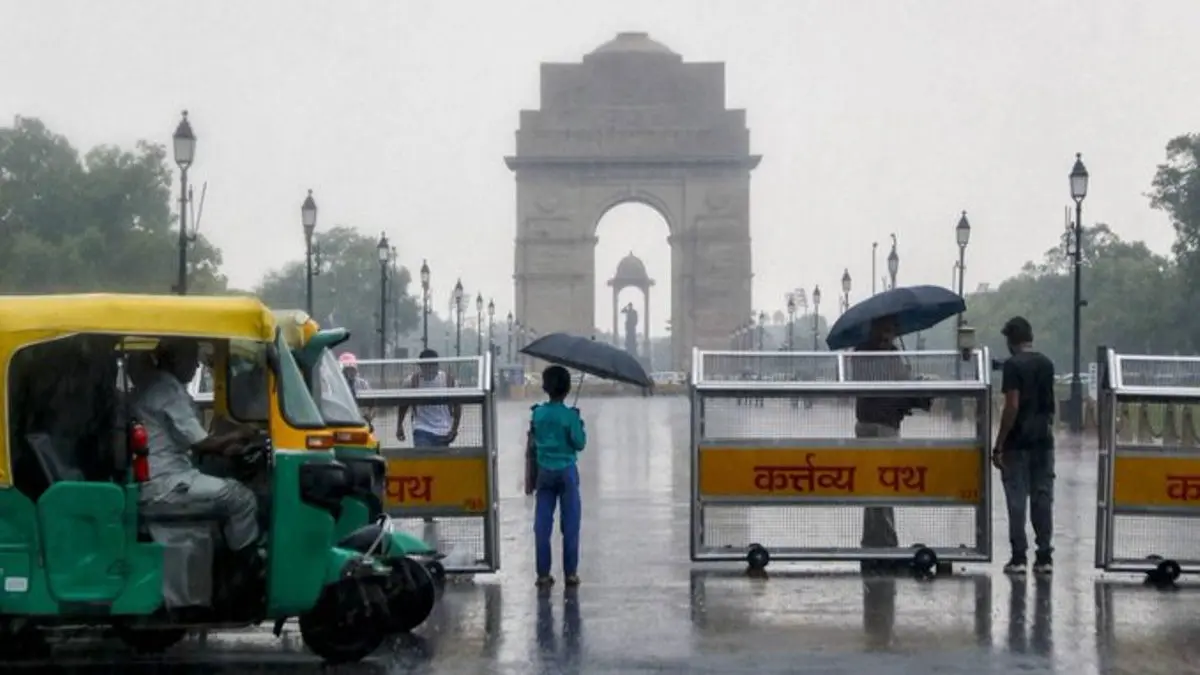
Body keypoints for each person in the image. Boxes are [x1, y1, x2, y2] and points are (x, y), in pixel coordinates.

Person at [131, 339, 263, 568]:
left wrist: (229, 442)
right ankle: (247, 569)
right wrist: (241, 433)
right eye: (192, 359)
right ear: (175, 359)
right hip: (166, 482)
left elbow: (186, 437)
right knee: (241, 498)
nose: (196, 367)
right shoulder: (167, 389)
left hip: (161, 475)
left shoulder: (156, 384)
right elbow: (202, 443)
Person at [852, 315, 930, 569]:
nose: (890, 335)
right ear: (878, 329)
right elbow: (894, 390)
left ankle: (872, 544)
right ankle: (887, 546)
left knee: (872, 487)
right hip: (883, 426)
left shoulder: (860, 353)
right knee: (885, 485)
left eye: (892, 330)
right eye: (887, 330)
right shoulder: (885, 355)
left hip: (868, 423)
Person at [992, 316, 1056, 576]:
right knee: (1042, 498)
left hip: (1017, 442)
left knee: (1016, 500)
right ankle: (1044, 557)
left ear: (1010, 341)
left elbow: (1012, 407)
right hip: (1043, 442)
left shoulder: (1012, 366)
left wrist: (999, 444)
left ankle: (1019, 558)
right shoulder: (1047, 364)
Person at [530, 365, 586, 588]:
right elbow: (579, 443)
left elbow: (534, 439)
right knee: (570, 523)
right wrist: (578, 422)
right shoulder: (570, 416)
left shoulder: (537, 413)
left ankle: (543, 574)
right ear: (567, 389)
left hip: (544, 472)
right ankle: (570, 574)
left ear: (546, 387)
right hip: (567, 473)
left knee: (542, 523)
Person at [396, 349, 462, 447]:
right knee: (423, 458)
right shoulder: (412, 381)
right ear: (421, 366)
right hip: (421, 428)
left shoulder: (449, 381)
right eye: (425, 366)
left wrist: (454, 429)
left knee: (440, 461)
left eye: (432, 365)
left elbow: (457, 406)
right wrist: (399, 426)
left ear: (437, 365)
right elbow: (403, 405)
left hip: (443, 429)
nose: (429, 369)